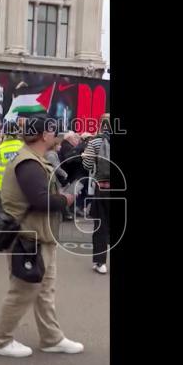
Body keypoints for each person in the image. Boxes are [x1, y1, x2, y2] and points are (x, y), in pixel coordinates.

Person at [0, 114, 84, 358]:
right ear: (44, 135)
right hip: (29, 239)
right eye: (53, 131)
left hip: (41, 237)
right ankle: (0, 341)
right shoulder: (28, 163)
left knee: (45, 291)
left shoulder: (34, 159)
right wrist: (67, 198)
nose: (57, 136)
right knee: (23, 291)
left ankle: (51, 338)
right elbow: (41, 201)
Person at [82, 114, 112, 274]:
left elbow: (86, 164)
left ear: (100, 125)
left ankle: (100, 263)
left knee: (100, 226)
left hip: (102, 189)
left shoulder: (95, 141)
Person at [0, 122, 24, 208]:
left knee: (3, 216)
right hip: (20, 186)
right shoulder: (24, 147)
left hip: (2, 187)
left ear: (4, 133)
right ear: (17, 133)